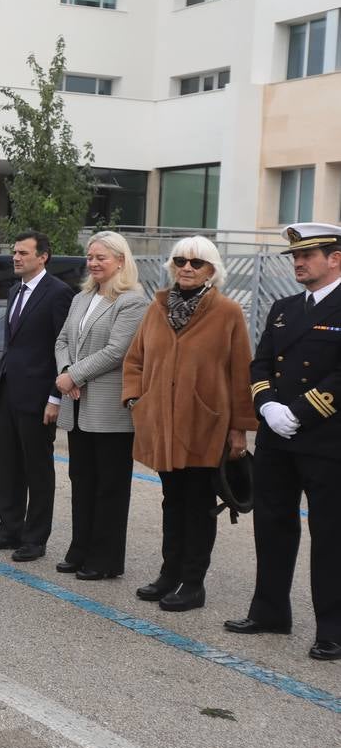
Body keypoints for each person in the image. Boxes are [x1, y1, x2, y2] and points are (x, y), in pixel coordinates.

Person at [225, 222, 341, 662]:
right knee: (272, 524)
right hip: (277, 436)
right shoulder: (283, 308)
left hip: (326, 439)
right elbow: (260, 365)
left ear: (335, 258)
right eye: (295, 256)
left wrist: (301, 411)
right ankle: (270, 611)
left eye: (308, 256)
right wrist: (270, 407)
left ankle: (332, 627)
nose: (298, 263)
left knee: (330, 534)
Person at [121, 236, 256, 612]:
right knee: (171, 501)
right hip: (161, 424)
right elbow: (135, 359)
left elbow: (240, 372)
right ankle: (169, 573)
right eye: (180, 260)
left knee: (198, 503)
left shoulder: (228, 312)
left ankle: (193, 583)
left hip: (205, 424)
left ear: (212, 270)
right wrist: (137, 399)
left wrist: (239, 428)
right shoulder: (156, 308)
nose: (186, 267)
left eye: (196, 263)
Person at [0, 231, 75, 562]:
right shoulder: (15, 289)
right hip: (8, 392)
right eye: (14, 252)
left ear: (43, 256)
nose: (16, 258)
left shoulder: (58, 293)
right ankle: (9, 530)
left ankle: (35, 538)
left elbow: (61, 348)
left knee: (38, 470)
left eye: (23, 253)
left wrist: (54, 397)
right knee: (9, 467)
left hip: (38, 396)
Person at [54, 231, 148, 581]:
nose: (93, 263)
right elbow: (62, 339)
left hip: (109, 409)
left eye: (101, 258)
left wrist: (74, 375)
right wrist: (66, 372)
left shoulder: (132, 301)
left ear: (121, 261)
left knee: (109, 486)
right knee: (82, 480)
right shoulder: (82, 297)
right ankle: (80, 549)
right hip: (77, 405)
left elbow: (117, 350)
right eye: (90, 257)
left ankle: (105, 559)